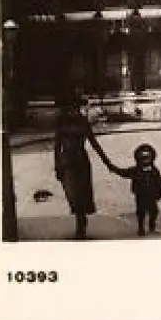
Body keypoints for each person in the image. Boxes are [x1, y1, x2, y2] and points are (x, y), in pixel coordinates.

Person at [53, 90, 114, 239]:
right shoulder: (61, 122)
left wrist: (107, 163)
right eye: (71, 107)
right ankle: (79, 217)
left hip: (81, 161)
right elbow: (57, 146)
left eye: (76, 107)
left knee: (81, 193)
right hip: (67, 161)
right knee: (71, 194)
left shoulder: (83, 121)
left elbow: (94, 143)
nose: (73, 109)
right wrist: (57, 165)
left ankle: (80, 222)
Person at [107, 143, 161, 237]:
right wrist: (112, 168)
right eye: (143, 157)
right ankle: (141, 228)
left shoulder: (154, 170)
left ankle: (152, 226)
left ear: (152, 158)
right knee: (141, 212)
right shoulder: (135, 170)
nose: (145, 160)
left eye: (147, 157)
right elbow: (123, 172)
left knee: (154, 211)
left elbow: (158, 181)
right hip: (140, 195)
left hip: (151, 195)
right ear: (138, 158)